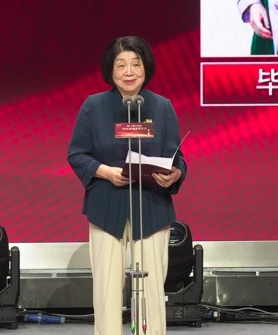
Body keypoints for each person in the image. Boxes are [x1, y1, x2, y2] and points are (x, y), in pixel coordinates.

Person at [67, 36, 187, 334]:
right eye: (121, 65)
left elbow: (177, 157)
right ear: (111, 69)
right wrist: (106, 172)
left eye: (136, 64)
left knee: (152, 289)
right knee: (107, 289)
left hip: (152, 205)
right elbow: (77, 154)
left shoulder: (162, 107)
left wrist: (175, 174)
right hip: (107, 205)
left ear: (146, 67)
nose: (129, 72)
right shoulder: (94, 106)